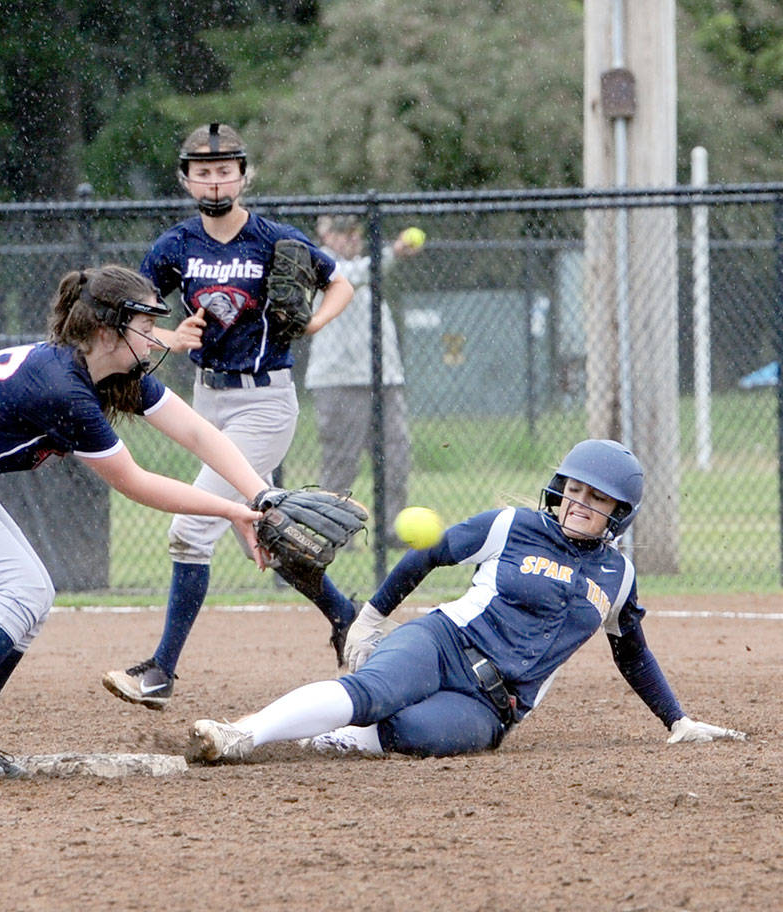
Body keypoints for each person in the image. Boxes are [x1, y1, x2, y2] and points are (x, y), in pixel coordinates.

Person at [0, 264, 276, 783]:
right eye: (142, 322)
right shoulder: (63, 388)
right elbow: (134, 482)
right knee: (17, 588)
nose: (154, 333)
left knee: (33, 593)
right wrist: (231, 509)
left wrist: (262, 495)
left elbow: (200, 434)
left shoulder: (101, 372)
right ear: (105, 331)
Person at [186, 439, 746, 763]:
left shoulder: (618, 574)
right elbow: (427, 555)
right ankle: (243, 733)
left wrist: (678, 719)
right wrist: (370, 618)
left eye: (596, 498)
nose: (578, 502)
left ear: (619, 512)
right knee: (373, 690)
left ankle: (331, 735)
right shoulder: (513, 525)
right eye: (573, 489)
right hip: (444, 641)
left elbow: (634, 654)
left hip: (495, 706)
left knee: (415, 734)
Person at [101, 122, 356, 711]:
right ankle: (349, 617)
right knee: (261, 532)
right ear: (185, 179)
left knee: (190, 532)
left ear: (244, 175)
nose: (215, 180)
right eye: (203, 170)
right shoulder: (174, 247)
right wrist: (171, 334)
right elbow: (131, 314)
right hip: (208, 398)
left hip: (265, 401)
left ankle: (161, 671)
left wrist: (314, 323)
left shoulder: (274, 239)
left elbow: (337, 282)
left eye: (225, 169)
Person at [304, 216, 422, 531]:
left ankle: (392, 530)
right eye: (342, 233)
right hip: (339, 380)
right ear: (324, 234)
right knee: (341, 462)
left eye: (354, 232)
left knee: (395, 456)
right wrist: (394, 252)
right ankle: (333, 530)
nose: (351, 238)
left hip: (384, 379)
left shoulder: (368, 268)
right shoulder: (320, 265)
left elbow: (366, 270)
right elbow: (355, 274)